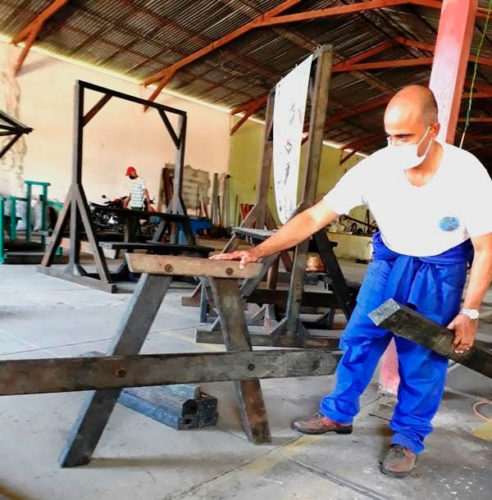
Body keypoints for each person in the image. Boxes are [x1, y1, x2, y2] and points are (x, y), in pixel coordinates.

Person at [212, 85, 492, 478]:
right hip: (389, 261)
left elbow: (485, 248)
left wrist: (470, 310)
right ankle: (338, 414)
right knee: (360, 337)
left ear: (434, 128)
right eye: (389, 136)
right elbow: (314, 217)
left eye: (406, 137)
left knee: (423, 356)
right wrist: (259, 251)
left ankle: (408, 438)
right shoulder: (376, 168)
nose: (395, 146)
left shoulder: (467, 174)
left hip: (440, 270)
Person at [123, 166, 151, 241]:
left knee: (134, 222)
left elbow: (146, 192)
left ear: (133, 172)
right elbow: (131, 193)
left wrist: (148, 204)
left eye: (129, 174)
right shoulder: (133, 182)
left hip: (138, 205)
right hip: (133, 204)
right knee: (135, 221)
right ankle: (138, 237)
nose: (129, 176)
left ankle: (131, 238)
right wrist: (127, 201)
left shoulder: (141, 181)